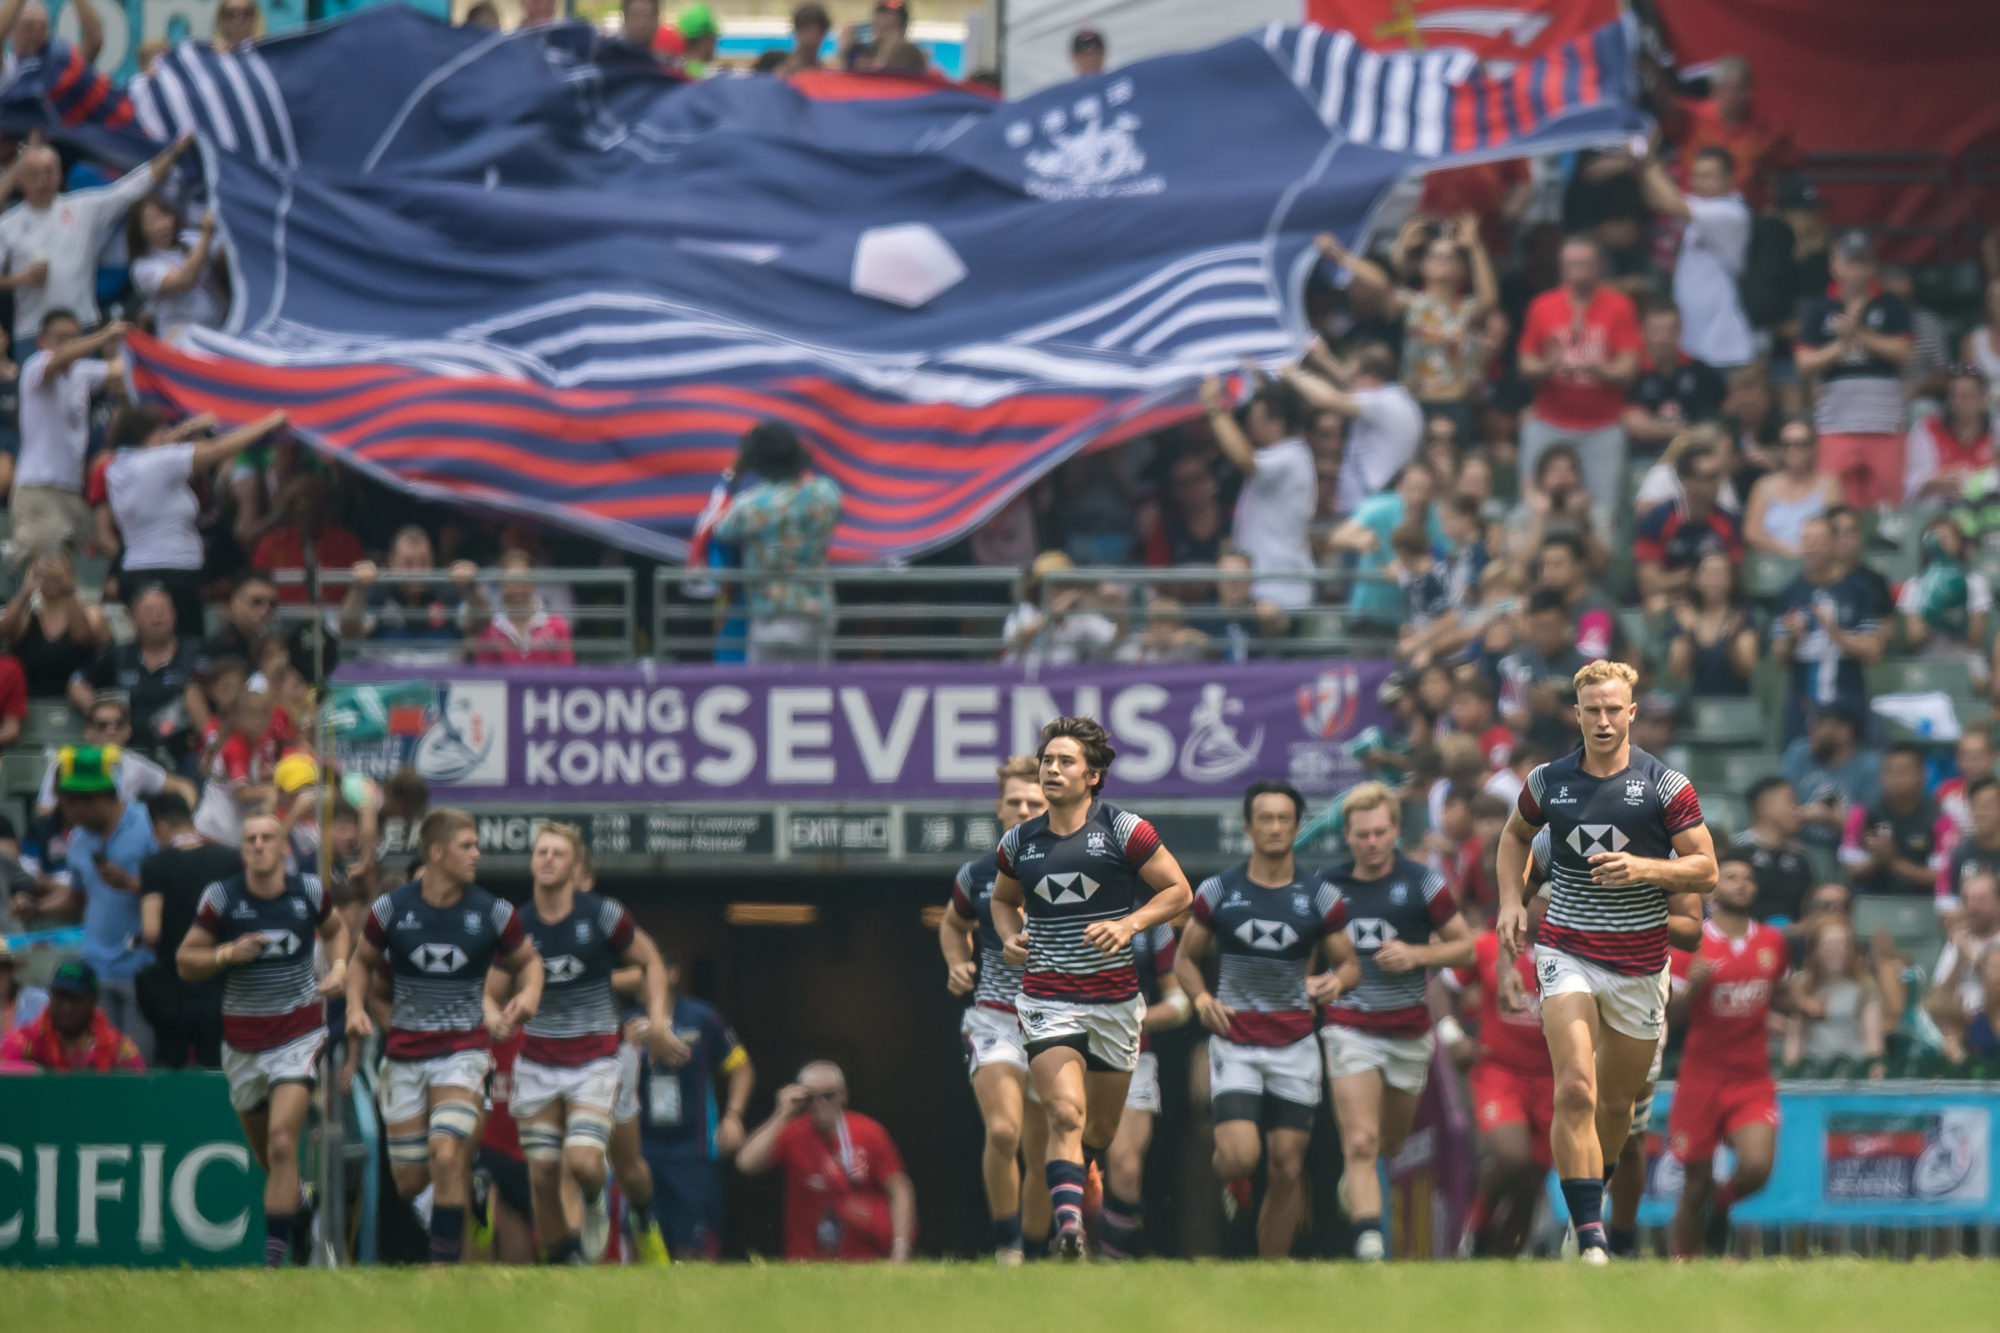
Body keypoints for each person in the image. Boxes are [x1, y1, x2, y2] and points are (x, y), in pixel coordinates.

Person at [1495, 659, 1716, 1263]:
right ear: (1577, 713)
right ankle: (1591, 1235)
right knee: (1575, 1088)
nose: (1602, 719)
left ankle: (1591, 1195)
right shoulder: (1549, 782)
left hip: (1640, 966)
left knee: (1618, 1107)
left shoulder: (1666, 787)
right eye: (1591, 709)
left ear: (1631, 713)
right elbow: (1515, 836)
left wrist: (1645, 868)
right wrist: (1511, 903)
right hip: (1566, 950)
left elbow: (1706, 869)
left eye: (1613, 709)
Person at [988, 716, 1193, 1260]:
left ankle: (1080, 1186)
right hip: (1047, 999)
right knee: (1064, 1115)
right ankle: (1072, 1227)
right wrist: (1011, 938)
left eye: (1065, 762)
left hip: (1116, 1005)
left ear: (1094, 776)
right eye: (1046, 761)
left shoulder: (1125, 831)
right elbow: (1002, 901)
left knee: (1097, 1132)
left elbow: (1180, 893)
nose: (1051, 770)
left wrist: (1129, 924)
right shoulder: (1017, 843)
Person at [344, 809, 545, 1264]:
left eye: (476, 845)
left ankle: (443, 1272)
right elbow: (360, 963)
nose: (477, 854)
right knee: (411, 1180)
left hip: (464, 1051)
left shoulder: (493, 911)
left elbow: (529, 963)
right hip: (405, 1055)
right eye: (467, 845)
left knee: (446, 1148)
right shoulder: (392, 908)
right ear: (436, 852)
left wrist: (528, 996)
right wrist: (357, 1008)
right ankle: (470, 1190)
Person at [1175, 780, 1358, 1259]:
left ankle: (1269, 1272)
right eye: (1265, 819)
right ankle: (1234, 1180)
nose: (1275, 827)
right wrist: (1198, 1000)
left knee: (1286, 1168)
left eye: (1284, 819)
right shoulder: (1218, 891)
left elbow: (1350, 965)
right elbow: (1185, 959)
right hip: (1236, 1043)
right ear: (1248, 827)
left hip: (1296, 1044)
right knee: (1241, 1156)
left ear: (1297, 828)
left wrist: (1334, 984)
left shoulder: (1321, 897)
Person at [174, 811, 349, 1267]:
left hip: (299, 1034)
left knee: (282, 1144)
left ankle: (274, 1265)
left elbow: (336, 931)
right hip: (243, 1044)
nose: (257, 844)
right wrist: (228, 953)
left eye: (267, 837)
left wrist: (341, 968)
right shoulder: (222, 898)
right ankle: (302, 1204)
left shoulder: (308, 891)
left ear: (282, 846)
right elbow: (185, 961)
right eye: (249, 837)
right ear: (242, 848)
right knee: (272, 1161)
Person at [1316, 781, 1472, 1261]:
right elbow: (1304, 950)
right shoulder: (1328, 887)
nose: (1371, 842)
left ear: (1395, 830)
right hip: (1349, 1026)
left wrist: (1417, 953)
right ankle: (1369, 1240)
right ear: (1347, 834)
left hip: (1408, 1033)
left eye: (1380, 832)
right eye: (1362, 834)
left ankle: (1357, 1177)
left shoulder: (1423, 882)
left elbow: (1463, 946)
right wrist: (1313, 984)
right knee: (1360, 1140)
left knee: (1390, 1140)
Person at [513, 823, 674, 1265]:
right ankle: (572, 1262)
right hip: (546, 1061)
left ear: (579, 870)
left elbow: (646, 969)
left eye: (558, 854)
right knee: (561, 1165)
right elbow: (498, 984)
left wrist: (657, 1023)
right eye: (540, 852)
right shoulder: (519, 924)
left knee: (627, 1166)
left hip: (604, 1056)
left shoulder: (602, 916)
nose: (547, 860)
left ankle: (643, 1218)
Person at [939, 756, 1052, 1263]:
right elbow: (951, 925)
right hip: (994, 1015)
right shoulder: (977, 874)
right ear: (999, 808)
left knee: (1042, 1150)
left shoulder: (1074, 868)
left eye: (1035, 802)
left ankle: (1034, 1250)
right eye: (1016, 802)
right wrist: (957, 964)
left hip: (1055, 1019)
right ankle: (1008, 1250)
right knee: (1003, 1131)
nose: (1025, 810)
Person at [9, 746, 160, 1056]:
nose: (65, 814)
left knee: (138, 1070)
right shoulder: (79, 838)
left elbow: (174, 890)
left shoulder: (148, 827)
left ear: (95, 800)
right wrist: (37, 909)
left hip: (143, 973)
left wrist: (131, 884)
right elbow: (77, 898)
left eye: (69, 807)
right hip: (95, 974)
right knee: (97, 1071)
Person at [1452, 828, 1554, 1259]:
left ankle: (1501, 1259)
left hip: (1553, 1076)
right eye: (1537, 894)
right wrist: (1451, 1035)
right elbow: (1443, 985)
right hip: (1500, 1071)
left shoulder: (1570, 953)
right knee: (1510, 1158)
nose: (1544, 903)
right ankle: (1475, 1226)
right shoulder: (1488, 944)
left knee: (1534, 1177)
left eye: (1551, 896)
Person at [106, 407, 291, 634]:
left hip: (137, 571)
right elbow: (217, 450)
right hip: (171, 574)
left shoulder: (118, 466)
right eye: (162, 432)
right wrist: (267, 424)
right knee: (183, 647)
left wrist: (188, 428)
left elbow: (156, 446)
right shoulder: (159, 462)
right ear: (149, 435)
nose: (167, 437)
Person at [0, 133, 192, 349]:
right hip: (33, 334)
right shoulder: (8, 224)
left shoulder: (83, 208)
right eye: (33, 174)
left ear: (60, 174)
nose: (42, 180)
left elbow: (130, 189)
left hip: (82, 328)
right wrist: (18, 279)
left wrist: (175, 152)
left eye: (49, 172)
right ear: (20, 178)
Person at [1316, 217, 1499, 440]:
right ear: (1423, 265)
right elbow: (1381, 283)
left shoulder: (1465, 309)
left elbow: (1489, 300)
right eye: (1434, 255)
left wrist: (1474, 247)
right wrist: (1340, 254)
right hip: (1414, 402)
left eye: (1450, 257)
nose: (1441, 261)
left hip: (1455, 404)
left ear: (1461, 268)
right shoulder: (1409, 303)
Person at [630, 949, 753, 1261]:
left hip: (694, 1149)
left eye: (651, 969)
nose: (643, 979)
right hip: (639, 1148)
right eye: (638, 971)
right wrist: (626, 1048)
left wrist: (733, 1116)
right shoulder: (625, 1022)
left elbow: (742, 1068)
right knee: (643, 1238)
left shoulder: (701, 1017)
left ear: (673, 972)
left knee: (694, 1244)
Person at [1515, 237, 1642, 539]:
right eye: (1571, 265)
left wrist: (1599, 368)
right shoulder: (1542, 305)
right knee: (1532, 504)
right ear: (1561, 268)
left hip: (1601, 427)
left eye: (1585, 264)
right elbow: (1524, 365)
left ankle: (1596, 577)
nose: (1578, 272)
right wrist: (1549, 365)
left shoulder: (1619, 306)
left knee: (1602, 512)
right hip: (1549, 422)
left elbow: (1628, 368)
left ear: (1598, 267)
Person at [736, 1059, 916, 1261]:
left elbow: (899, 1189)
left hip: (861, 1261)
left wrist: (900, 1247)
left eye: (828, 1095)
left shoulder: (869, 1132)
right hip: (803, 1262)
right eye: (811, 1097)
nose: (820, 1103)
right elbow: (746, 1164)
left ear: (843, 1095)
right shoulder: (792, 1132)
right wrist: (781, 1114)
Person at [1795, 232, 1914, 508]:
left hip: (1885, 425)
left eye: (1862, 262)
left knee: (1888, 508)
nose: (1856, 269)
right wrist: (1843, 343)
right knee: (1835, 505)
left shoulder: (1892, 305)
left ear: (1873, 267)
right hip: (1835, 425)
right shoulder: (1818, 308)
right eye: (1850, 262)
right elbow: (1803, 363)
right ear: (1833, 265)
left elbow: (1904, 353)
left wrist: (1857, 333)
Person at [710, 421, 842, 664]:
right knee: (817, 691)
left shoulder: (750, 505)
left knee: (767, 693)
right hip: (818, 612)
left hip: (771, 616)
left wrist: (731, 475)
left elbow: (719, 528)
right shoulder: (826, 493)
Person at [1099, 910, 1186, 1260]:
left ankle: (1113, 1264)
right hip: (1065, 1054)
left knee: (1127, 1167)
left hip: (1133, 1059)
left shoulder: (1154, 924)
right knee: (1065, 1159)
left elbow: (1179, 1002)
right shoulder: (1060, 902)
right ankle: (1042, 1253)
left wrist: (1136, 1019)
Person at [9, 311, 127, 564]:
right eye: (61, 338)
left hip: (71, 490)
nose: (70, 344)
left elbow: (121, 370)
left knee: (66, 578)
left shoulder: (81, 372)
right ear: (42, 340)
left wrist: (123, 343)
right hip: (39, 488)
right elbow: (58, 360)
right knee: (44, 574)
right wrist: (103, 336)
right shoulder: (35, 365)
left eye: (74, 337)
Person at [135, 790, 240, 1070]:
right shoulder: (231, 860)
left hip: (173, 992)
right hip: (222, 985)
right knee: (221, 1072)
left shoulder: (155, 866)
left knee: (169, 1073)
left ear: (160, 827)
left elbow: (151, 931)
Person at [1199, 373, 1317, 613]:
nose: (1248, 424)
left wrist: (1215, 409)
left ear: (1278, 422)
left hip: (1280, 593)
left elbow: (1245, 460)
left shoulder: (1291, 456)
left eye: (1255, 417)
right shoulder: (1284, 455)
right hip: (1263, 588)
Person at [1770, 516, 1887, 742]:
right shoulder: (1788, 594)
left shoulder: (1859, 591)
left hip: (1849, 704)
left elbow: (1874, 651)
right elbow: (1779, 658)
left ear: (1834, 543)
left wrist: (1836, 634)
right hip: (1803, 707)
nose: (1812, 547)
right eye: (1807, 540)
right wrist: (1793, 638)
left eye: (1819, 540)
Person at [1640, 148, 1754, 371]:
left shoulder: (1732, 213)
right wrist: (1641, 165)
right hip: (1694, 341)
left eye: (1707, 176)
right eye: (1695, 175)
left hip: (1722, 347)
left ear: (1729, 179)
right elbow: (1656, 200)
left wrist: (1648, 158)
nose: (1697, 182)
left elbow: (1671, 204)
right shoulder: (1701, 206)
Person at [68, 585, 207, 761]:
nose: (157, 617)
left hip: (182, 751)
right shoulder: (119, 654)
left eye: (163, 610)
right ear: (133, 619)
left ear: (174, 615)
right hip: (127, 751)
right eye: (148, 611)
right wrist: (104, 712)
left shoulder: (196, 652)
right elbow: (77, 683)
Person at [1285, 342, 1423, 516]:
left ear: (1369, 377)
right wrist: (1324, 360)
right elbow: (1349, 385)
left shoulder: (1382, 403)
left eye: (1352, 375)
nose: (1347, 381)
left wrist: (1292, 374)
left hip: (1367, 509)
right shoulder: (1397, 399)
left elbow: (1329, 399)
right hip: (1373, 505)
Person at [339, 527, 491, 669]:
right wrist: (358, 589)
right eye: (408, 563)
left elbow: (481, 624)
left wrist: (471, 588)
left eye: (424, 562)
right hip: (385, 685)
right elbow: (349, 632)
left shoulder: (450, 590)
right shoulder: (375, 590)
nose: (417, 571)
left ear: (433, 562)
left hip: (443, 684)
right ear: (391, 562)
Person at [1633, 444, 1743, 614]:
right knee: (1656, 604)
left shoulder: (1728, 521)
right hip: (1671, 598)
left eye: (1718, 476)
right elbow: (1649, 583)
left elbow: (1733, 577)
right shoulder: (1658, 519)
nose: (1717, 483)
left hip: (1715, 601)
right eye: (1709, 477)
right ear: (1687, 482)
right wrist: (1696, 575)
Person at [1783, 916, 1887, 1075]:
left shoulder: (1865, 986)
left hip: (1852, 1073)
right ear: (1816, 950)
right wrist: (1790, 1072)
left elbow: (1872, 1040)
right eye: (1829, 944)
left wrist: (1875, 1073)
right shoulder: (1800, 984)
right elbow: (1795, 1039)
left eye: (1842, 944)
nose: (1836, 950)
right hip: (1812, 1074)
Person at [0, 959, 145, 1071]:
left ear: (93, 1000)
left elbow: (140, 1096)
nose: (66, 1006)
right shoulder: (23, 1043)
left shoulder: (118, 1050)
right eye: (60, 997)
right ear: (51, 996)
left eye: (75, 998)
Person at [1623, 303, 1728, 457]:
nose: (1663, 338)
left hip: (1694, 457)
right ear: (1643, 332)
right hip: (1646, 455)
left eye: (1669, 331)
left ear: (1680, 331)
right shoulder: (1633, 372)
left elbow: (1727, 405)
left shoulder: (1698, 369)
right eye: (1656, 331)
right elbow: (1636, 426)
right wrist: (1691, 433)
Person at [0, 550, 110, 695]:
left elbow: (82, 636)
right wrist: (26, 591)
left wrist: (66, 587)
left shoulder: (92, 613)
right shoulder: (25, 617)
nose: (50, 573)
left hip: (80, 701)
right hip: (31, 702)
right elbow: (4, 633)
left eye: (56, 566)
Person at [1743, 419, 1842, 557]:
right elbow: (1752, 533)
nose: (1793, 450)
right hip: (1774, 562)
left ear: (1812, 448)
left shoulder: (1829, 485)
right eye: (1786, 444)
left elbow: (1836, 529)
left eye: (1800, 444)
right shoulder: (1763, 485)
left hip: (1819, 562)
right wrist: (1789, 549)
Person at [1667, 550, 1758, 698]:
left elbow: (1746, 670)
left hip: (1735, 702)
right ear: (1696, 579)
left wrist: (1731, 640)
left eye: (1721, 574)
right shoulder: (1685, 616)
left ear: (1731, 579)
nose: (1715, 580)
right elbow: (1678, 672)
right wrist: (1688, 633)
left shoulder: (1742, 617)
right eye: (1708, 573)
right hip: (1696, 703)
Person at [127, 198, 223, 337]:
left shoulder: (188, 239)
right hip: (181, 341)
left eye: (165, 215)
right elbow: (184, 282)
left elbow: (225, 253)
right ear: (139, 230)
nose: (164, 224)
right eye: (154, 221)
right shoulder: (142, 267)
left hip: (218, 328)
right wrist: (207, 233)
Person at [1926, 873, 2000, 1053]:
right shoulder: (1956, 943)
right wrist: (1960, 957)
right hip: (1956, 1024)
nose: (1973, 907)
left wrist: (1971, 956)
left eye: (1981, 900)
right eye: (1968, 900)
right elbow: (1937, 997)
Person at [1906, 367, 1994, 506]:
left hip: (1986, 509)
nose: (1959, 402)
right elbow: (1906, 483)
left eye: (1966, 396)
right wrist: (1930, 484)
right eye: (1954, 395)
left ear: (1983, 400)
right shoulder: (1928, 428)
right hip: (1939, 508)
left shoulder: (1996, 432)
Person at [1734, 778, 1816, 925]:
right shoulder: (1737, 851)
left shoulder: (1800, 856)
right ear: (1763, 806)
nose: (1796, 808)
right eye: (1790, 800)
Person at [475, 549, 576, 666]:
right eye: (511, 582)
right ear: (502, 585)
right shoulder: (489, 632)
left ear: (532, 583)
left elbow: (566, 674)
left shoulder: (557, 626)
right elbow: (486, 678)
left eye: (522, 581)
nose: (517, 589)